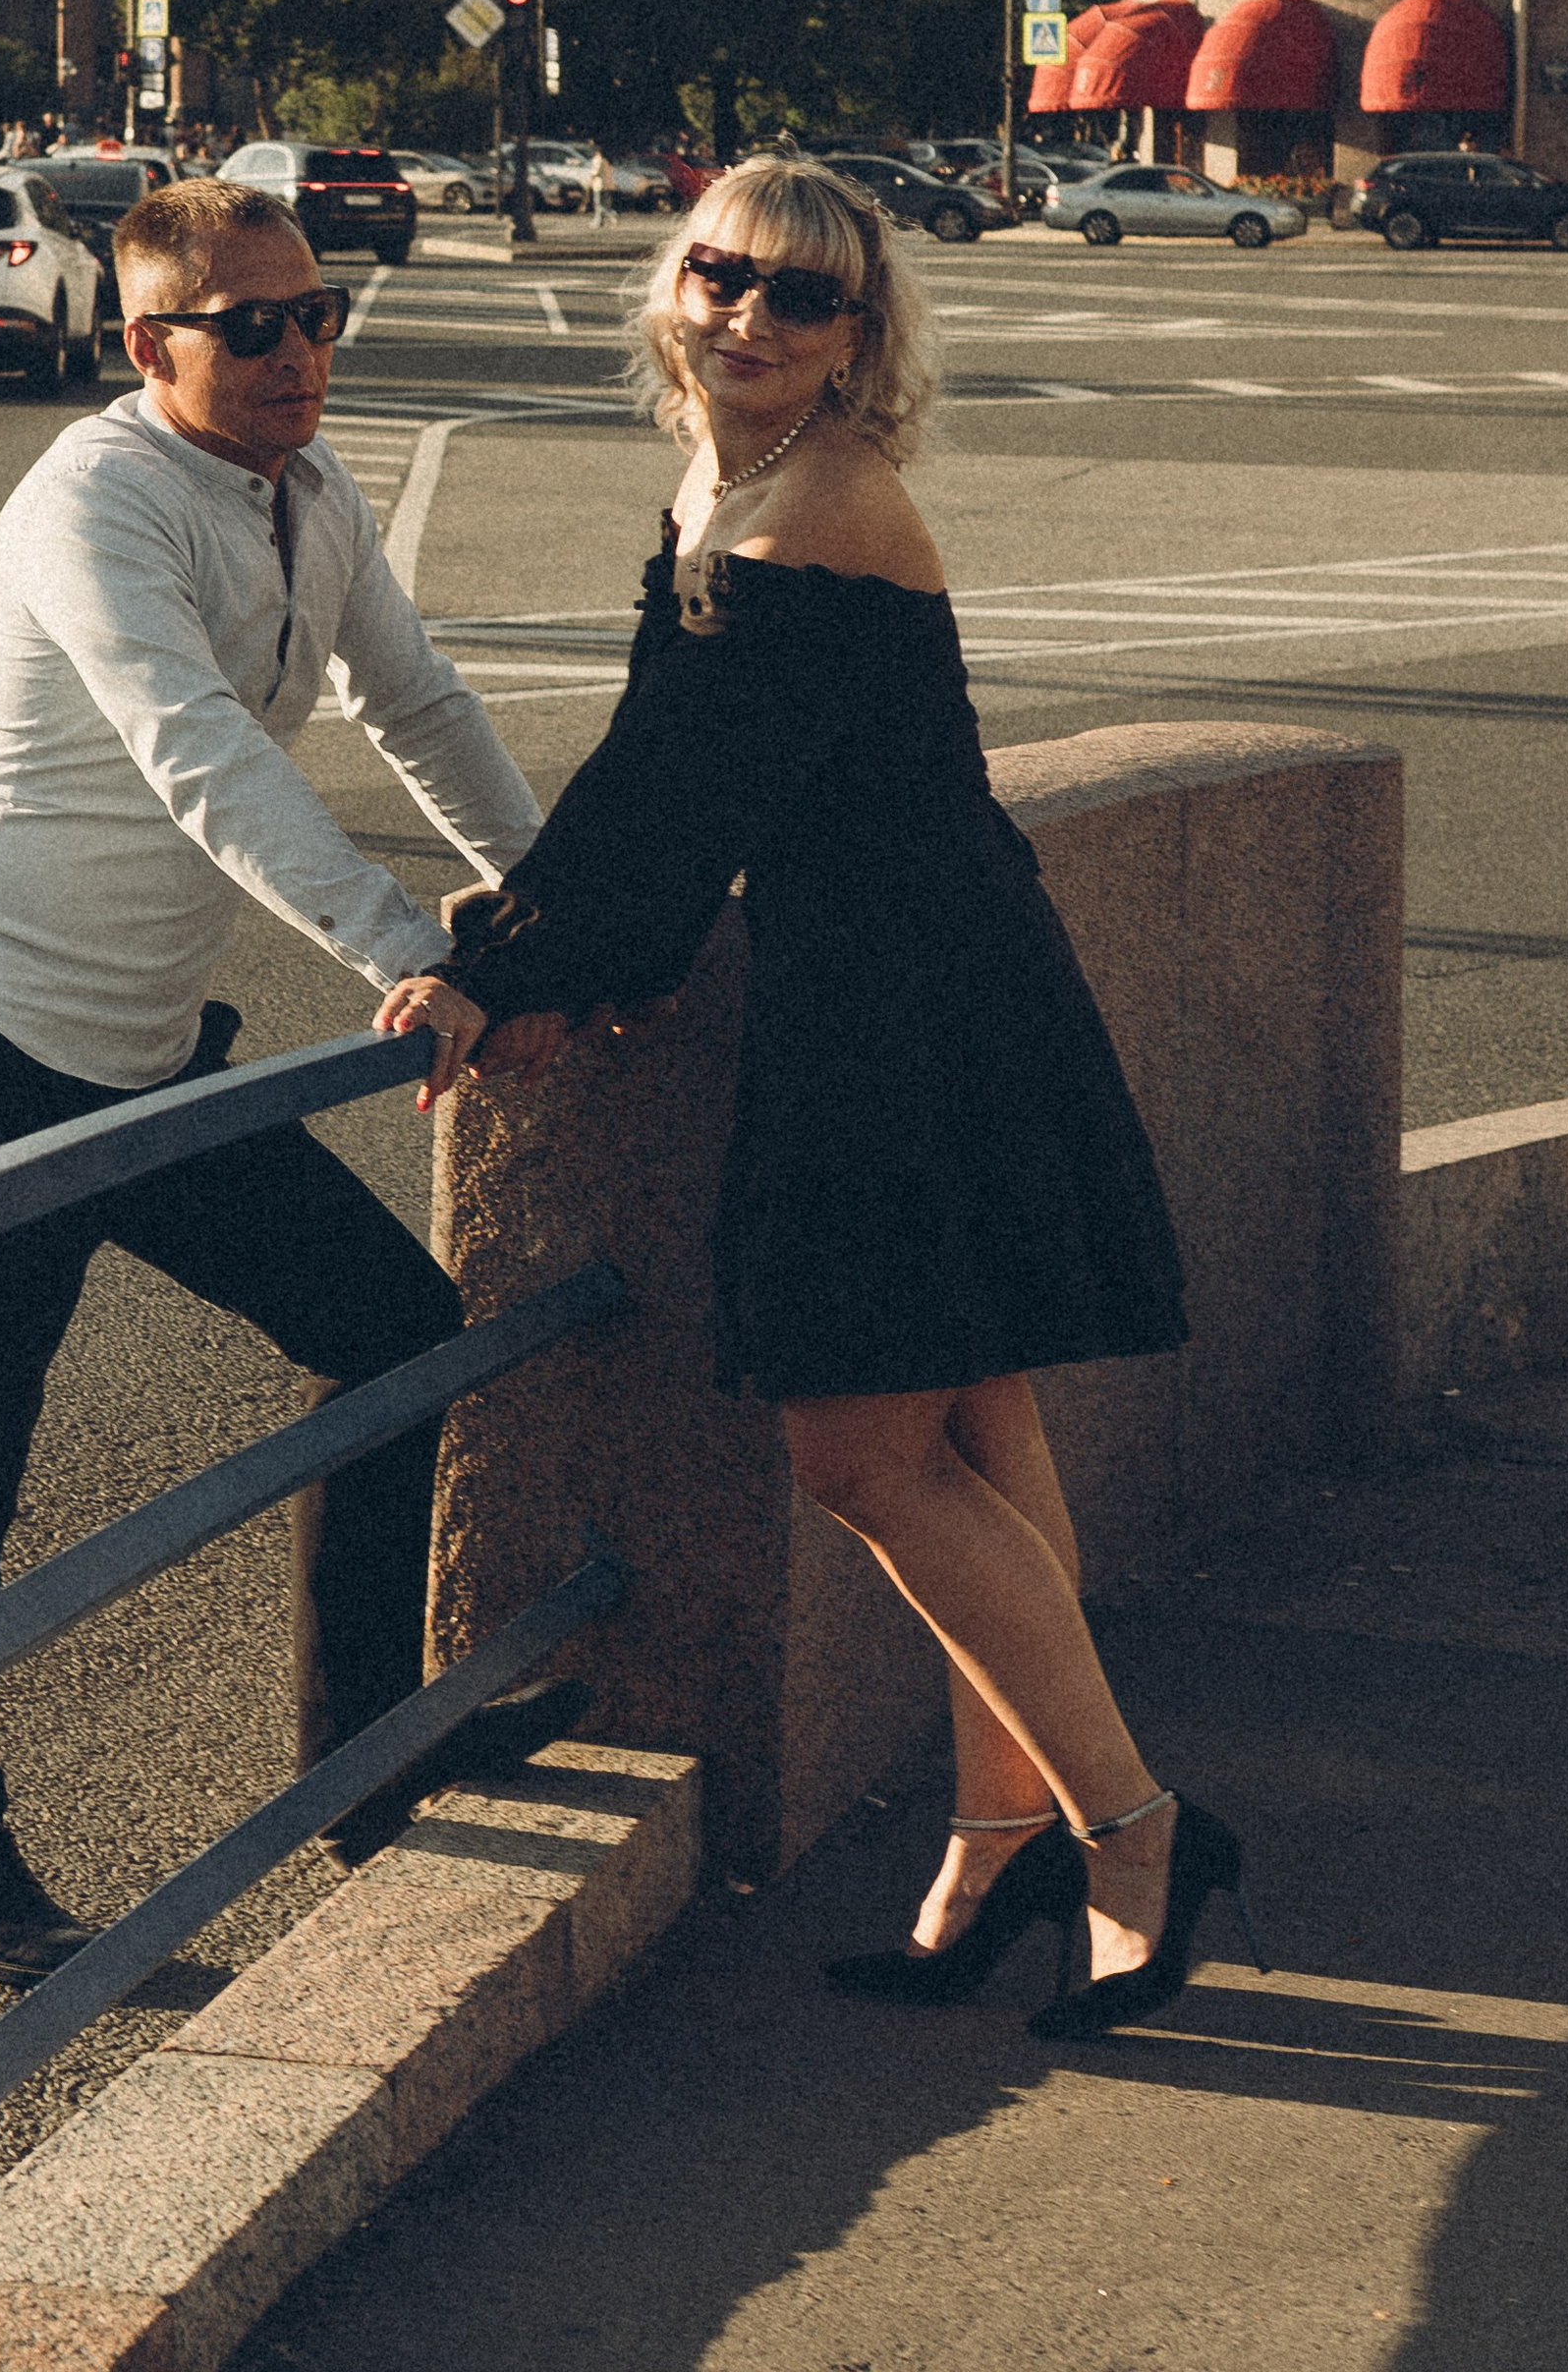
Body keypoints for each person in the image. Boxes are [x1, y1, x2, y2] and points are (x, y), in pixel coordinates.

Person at [446, 160, 1248, 2042]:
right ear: (674, 283)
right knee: (971, 1427)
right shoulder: (722, 478)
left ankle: (1135, 1831)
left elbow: (676, 788)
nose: (746, 314)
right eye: (720, 274)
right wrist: (563, 949)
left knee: (865, 1459)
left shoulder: (827, 502)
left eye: (799, 300)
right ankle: (996, 1837)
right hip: (894, 977)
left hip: (913, 1011)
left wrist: (510, 967)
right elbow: (683, 771)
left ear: (859, 341)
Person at [0, 178, 557, 1987]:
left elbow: (424, 705)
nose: (297, 352)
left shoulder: (316, 495)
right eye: (249, 328)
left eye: (318, 316)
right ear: (146, 343)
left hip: (153, 1063)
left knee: (397, 1333)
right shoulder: (92, 500)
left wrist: (554, 920)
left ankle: (360, 1755)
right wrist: (408, 948)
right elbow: (200, 760)